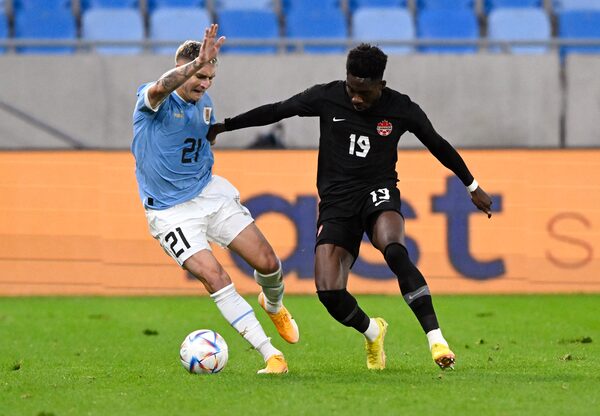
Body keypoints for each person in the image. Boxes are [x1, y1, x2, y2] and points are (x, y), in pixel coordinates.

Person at [208, 43, 493, 371]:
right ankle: (373, 332)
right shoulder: (327, 97)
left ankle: (436, 340)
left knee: (395, 251)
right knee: (329, 292)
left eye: (364, 92)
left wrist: (472, 186)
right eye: (351, 89)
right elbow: (278, 110)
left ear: (381, 85)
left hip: (378, 191)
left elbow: (437, 144)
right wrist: (225, 126)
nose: (356, 98)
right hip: (337, 202)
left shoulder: (400, 108)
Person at [131, 24, 299, 375]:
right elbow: (161, 87)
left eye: (210, 77)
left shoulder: (204, 103)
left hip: (208, 193)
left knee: (268, 262)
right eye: (199, 75)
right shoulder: (153, 102)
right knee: (216, 277)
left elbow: (203, 139)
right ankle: (271, 354)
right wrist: (194, 65)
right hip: (170, 213)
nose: (205, 84)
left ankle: (273, 304)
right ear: (182, 68)